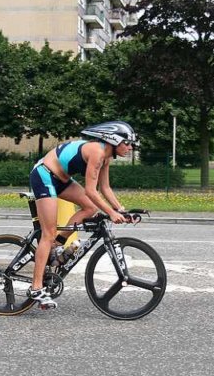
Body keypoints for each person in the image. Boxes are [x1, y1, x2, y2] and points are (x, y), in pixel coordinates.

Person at [27, 121, 139, 309]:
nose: (130, 148)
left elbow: (105, 188)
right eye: (127, 143)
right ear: (114, 140)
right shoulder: (97, 152)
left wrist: (121, 210)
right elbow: (91, 191)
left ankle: (57, 245)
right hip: (44, 175)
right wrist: (111, 213)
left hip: (61, 179)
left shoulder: (106, 157)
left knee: (90, 208)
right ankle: (36, 287)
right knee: (48, 233)